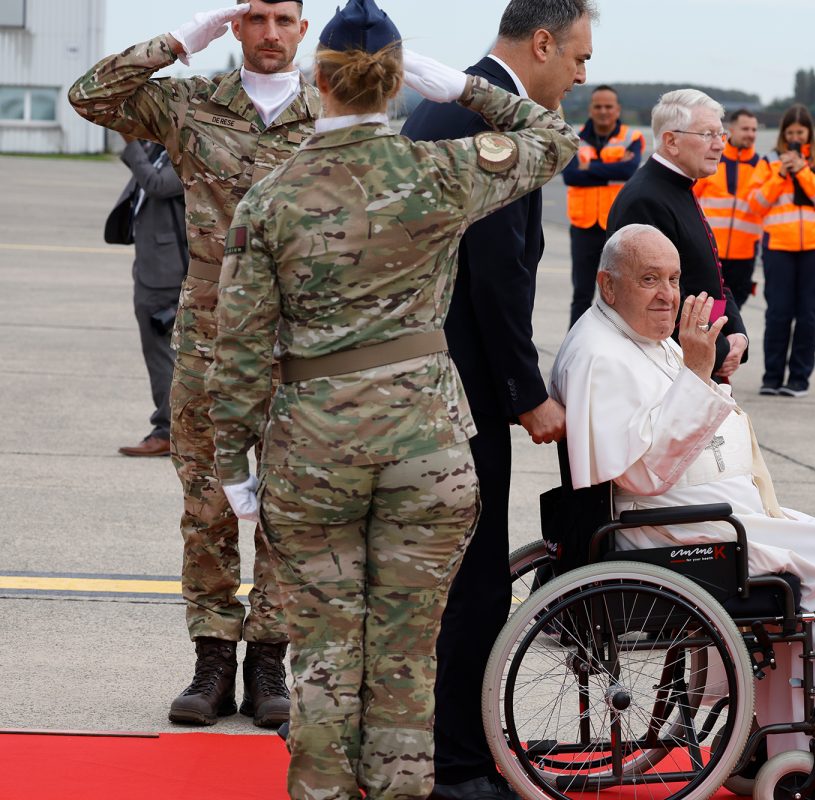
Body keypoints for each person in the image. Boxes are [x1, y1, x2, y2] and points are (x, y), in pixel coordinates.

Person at [206, 2, 580, 796]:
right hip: (426, 449)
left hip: (313, 452)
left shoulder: (270, 200)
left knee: (323, 659)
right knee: (409, 656)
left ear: (318, 79)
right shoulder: (438, 173)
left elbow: (237, 352)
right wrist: (470, 90)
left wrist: (233, 461)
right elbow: (555, 141)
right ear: (396, 82)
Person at [550, 224, 815, 800]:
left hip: (700, 512)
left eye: (673, 280)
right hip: (671, 528)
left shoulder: (634, 336)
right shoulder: (601, 354)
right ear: (607, 283)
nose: (667, 295)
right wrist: (697, 373)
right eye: (650, 280)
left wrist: (704, 371)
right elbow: (642, 473)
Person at [70, 0, 322, 726]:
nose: (270, 33)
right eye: (257, 18)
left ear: (302, 30)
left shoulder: (330, 114)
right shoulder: (188, 105)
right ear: (236, 28)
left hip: (297, 349)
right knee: (207, 509)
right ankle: (212, 660)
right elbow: (90, 94)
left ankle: (268, 662)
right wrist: (181, 39)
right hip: (211, 342)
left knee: (288, 510)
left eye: (284, 19)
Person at [399, 3, 593, 799]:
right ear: (541, 43)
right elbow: (495, 270)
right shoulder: (482, 115)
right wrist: (527, 393)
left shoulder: (456, 104)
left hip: (436, 379)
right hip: (461, 387)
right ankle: (460, 765)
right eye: (579, 56)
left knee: (457, 574)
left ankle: (463, 746)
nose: (583, 75)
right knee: (473, 576)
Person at [606, 89, 749, 381]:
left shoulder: (679, 187)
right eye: (708, 134)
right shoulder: (647, 199)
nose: (720, 145)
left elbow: (711, 278)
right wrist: (719, 350)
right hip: (671, 371)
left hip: (701, 357)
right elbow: (655, 301)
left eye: (721, 135)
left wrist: (736, 333)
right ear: (671, 141)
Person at [747, 104, 815, 397]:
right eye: (790, 132)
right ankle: (772, 377)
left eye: (800, 132)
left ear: (810, 133)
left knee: (808, 316)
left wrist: (803, 171)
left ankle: (799, 379)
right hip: (779, 248)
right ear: (782, 134)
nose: (795, 137)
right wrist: (780, 176)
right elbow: (755, 204)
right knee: (777, 314)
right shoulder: (768, 162)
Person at [108, 136, 188, 457]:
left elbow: (156, 184)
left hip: (167, 273)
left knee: (162, 353)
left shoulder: (187, 154)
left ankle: (168, 430)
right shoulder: (159, 149)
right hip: (151, 267)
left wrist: (132, 144)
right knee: (160, 352)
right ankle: (173, 427)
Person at [563, 85, 645, 325]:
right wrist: (610, 171)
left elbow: (628, 171)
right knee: (581, 294)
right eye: (598, 106)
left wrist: (589, 168)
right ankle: (575, 350)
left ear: (617, 109)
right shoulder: (573, 138)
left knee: (621, 294)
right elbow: (570, 176)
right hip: (584, 225)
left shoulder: (632, 137)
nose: (603, 111)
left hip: (618, 226)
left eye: (608, 106)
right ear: (590, 109)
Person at [694, 108, 765, 309]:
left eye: (754, 129)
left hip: (744, 254)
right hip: (710, 250)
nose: (750, 134)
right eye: (745, 129)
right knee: (710, 308)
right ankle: (715, 340)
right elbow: (691, 197)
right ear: (730, 130)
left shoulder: (762, 166)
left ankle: (726, 340)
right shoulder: (712, 161)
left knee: (734, 308)